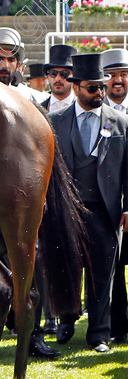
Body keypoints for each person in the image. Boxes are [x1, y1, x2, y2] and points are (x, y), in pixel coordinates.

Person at [0, 27, 59, 359]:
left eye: (10, 59)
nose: (4, 64)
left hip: (22, 195)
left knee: (28, 263)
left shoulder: (32, 101)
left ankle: (31, 333)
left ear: (19, 64)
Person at [50, 53, 128, 352]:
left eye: (101, 87)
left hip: (105, 211)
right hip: (67, 209)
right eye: (92, 88)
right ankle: (66, 320)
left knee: (103, 274)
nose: (99, 93)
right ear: (76, 87)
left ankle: (99, 335)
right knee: (67, 268)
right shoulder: (55, 121)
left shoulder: (120, 122)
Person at [101, 48, 128, 343]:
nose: (118, 81)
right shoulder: (101, 115)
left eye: (123, 74)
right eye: (112, 75)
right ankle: (116, 326)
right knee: (115, 268)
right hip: (112, 205)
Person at [42, 44, 76, 112]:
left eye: (64, 74)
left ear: (73, 76)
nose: (58, 78)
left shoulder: (82, 109)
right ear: (48, 76)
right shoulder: (38, 110)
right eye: (53, 73)